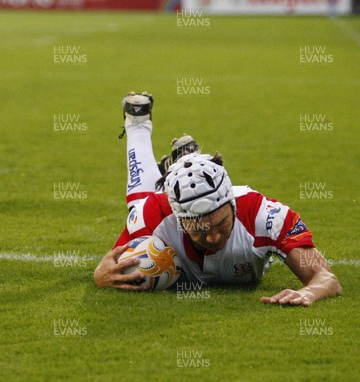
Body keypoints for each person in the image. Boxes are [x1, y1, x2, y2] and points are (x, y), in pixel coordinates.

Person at [94, 92, 342, 307]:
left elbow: (326, 278)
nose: (213, 237)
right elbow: (112, 266)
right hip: (159, 205)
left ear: (232, 204)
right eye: (199, 228)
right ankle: (138, 122)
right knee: (138, 203)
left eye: (221, 222)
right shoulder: (154, 215)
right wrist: (100, 275)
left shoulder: (265, 216)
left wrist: (308, 292)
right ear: (179, 219)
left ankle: (181, 161)